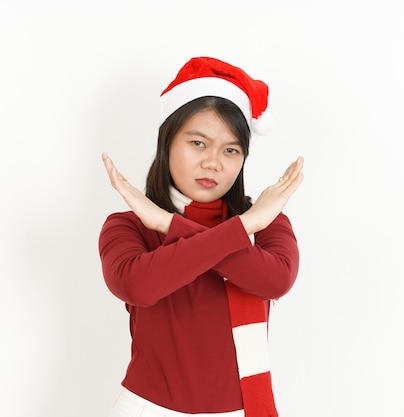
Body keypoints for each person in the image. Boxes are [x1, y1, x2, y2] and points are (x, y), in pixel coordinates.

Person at [98, 56, 304, 417]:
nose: (213, 162)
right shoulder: (129, 226)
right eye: (198, 143)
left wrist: (171, 225)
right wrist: (242, 228)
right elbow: (137, 286)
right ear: (167, 143)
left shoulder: (266, 222)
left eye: (231, 150)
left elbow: (274, 281)